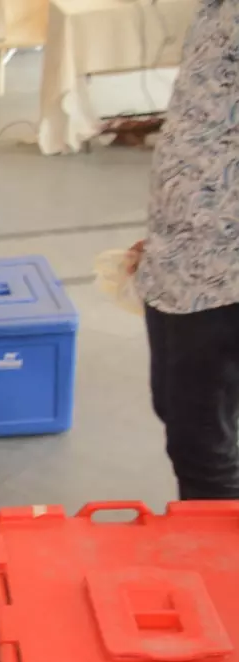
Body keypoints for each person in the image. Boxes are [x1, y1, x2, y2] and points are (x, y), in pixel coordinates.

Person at [132, 0, 239, 501]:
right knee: (176, 409)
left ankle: (218, 547)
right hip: (179, 256)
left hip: (222, 270)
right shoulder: (214, 10)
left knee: (202, 445)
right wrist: (168, 231)